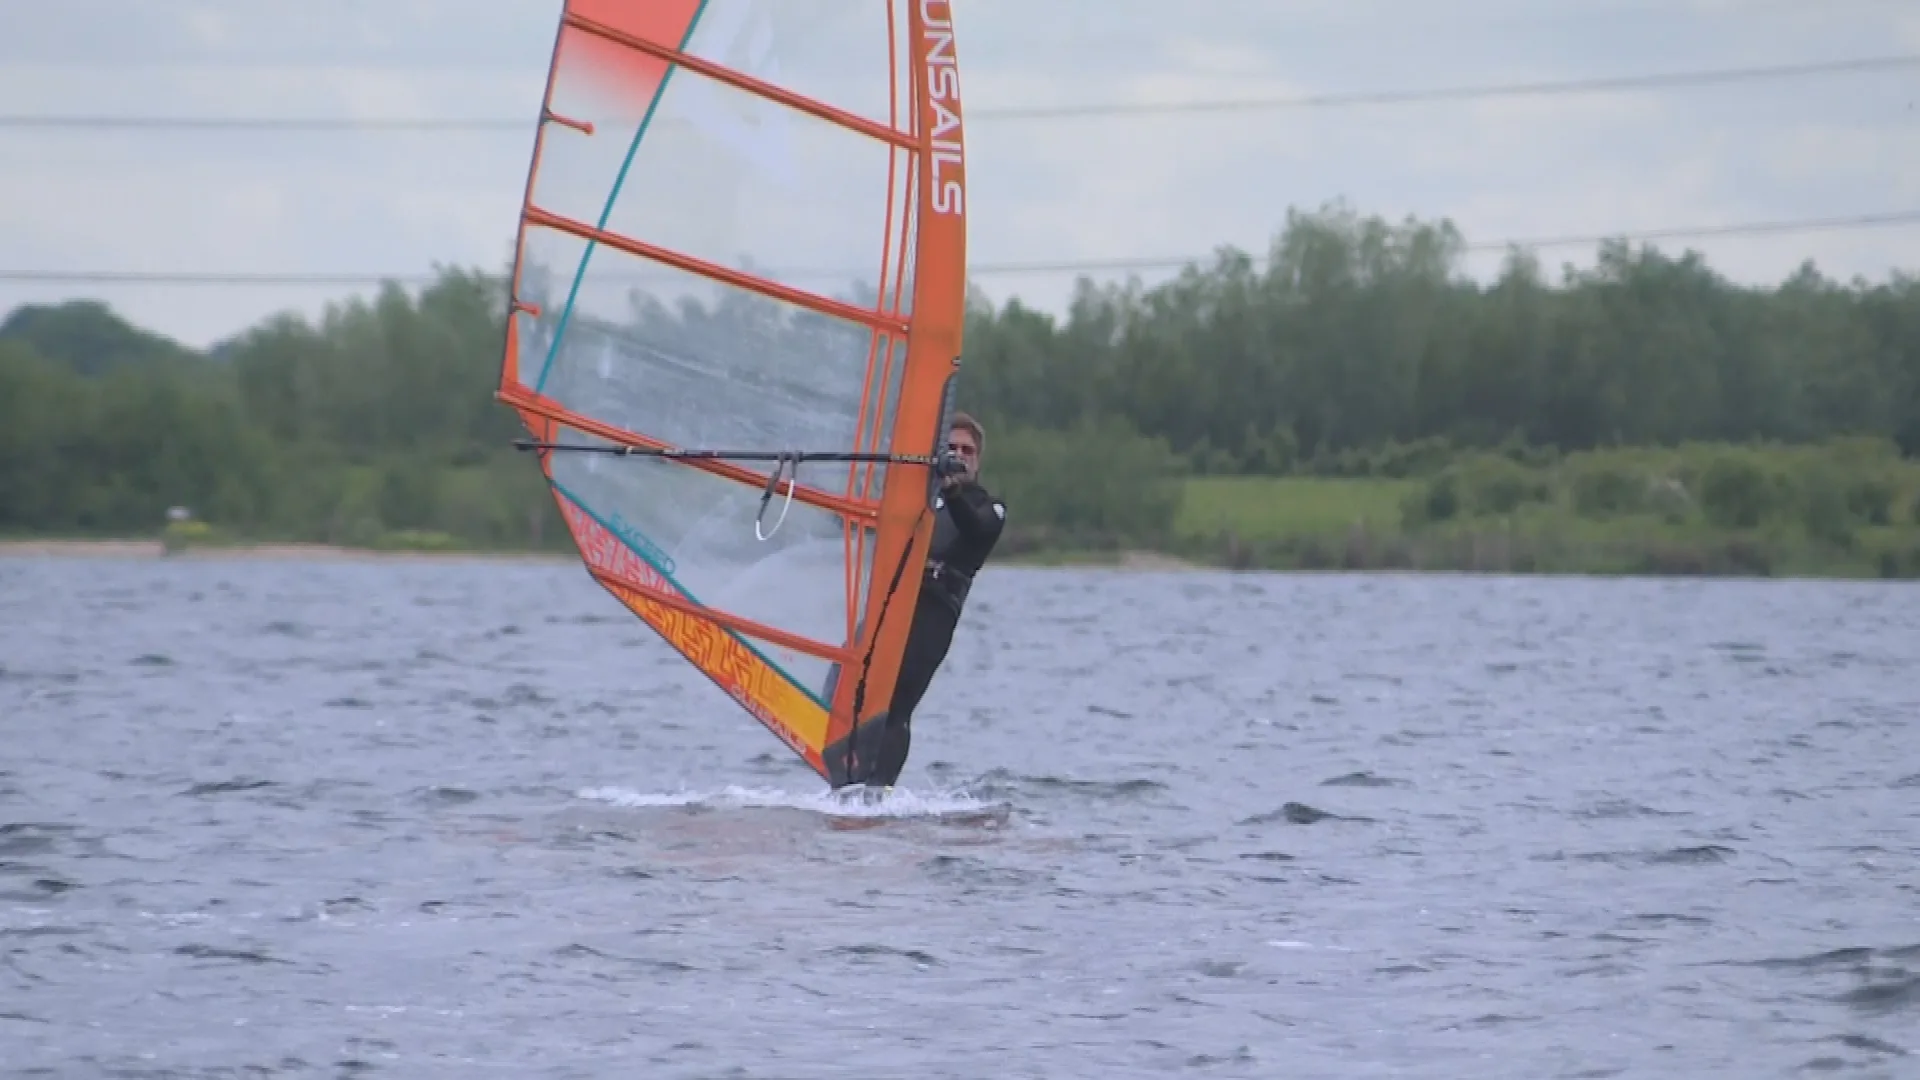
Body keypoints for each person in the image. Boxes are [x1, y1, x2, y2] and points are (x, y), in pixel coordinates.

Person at [862, 412, 1005, 790]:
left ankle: (879, 792)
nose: (959, 455)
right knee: (850, 684)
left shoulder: (988, 507)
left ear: (977, 461)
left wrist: (952, 488)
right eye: (952, 448)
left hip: (935, 612)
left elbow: (977, 529)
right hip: (894, 601)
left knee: (897, 706)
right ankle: (845, 776)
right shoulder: (917, 500)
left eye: (967, 451)